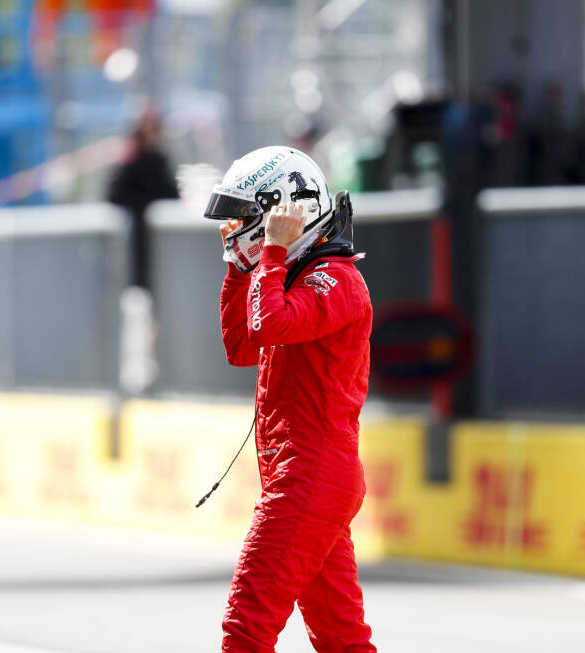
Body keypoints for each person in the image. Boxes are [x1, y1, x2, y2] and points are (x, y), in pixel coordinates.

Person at [204, 146, 376, 652]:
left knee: (247, 627)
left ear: (282, 211)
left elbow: (271, 323)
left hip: (312, 476)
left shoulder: (337, 279)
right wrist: (241, 265)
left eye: (243, 219)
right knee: (341, 638)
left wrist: (270, 254)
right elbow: (241, 345)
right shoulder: (293, 275)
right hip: (302, 475)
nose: (236, 229)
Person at [107, 109, 179, 291]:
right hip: (136, 230)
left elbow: (171, 195)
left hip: (157, 232)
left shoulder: (159, 160)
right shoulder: (132, 160)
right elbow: (115, 195)